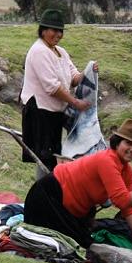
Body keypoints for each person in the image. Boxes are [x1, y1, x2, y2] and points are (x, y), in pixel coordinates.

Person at [23, 119, 132, 254]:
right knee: (67, 248)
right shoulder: (107, 160)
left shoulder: (126, 170)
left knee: (81, 245)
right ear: (118, 143)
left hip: (73, 210)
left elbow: (129, 208)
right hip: (49, 198)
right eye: (128, 143)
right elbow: (122, 200)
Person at [19, 9, 93, 172]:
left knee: (53, 157)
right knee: (45, 158)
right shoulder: (39, 51)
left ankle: (48, 193)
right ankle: (44, 194)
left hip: (55, 112)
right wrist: (75, 102)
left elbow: (73, 77)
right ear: (43, 31)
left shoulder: (61, 52)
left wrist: (89, 72)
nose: (58, 34)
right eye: (54, 30)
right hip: (40, 111)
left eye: (60, 31)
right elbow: (51, 87)